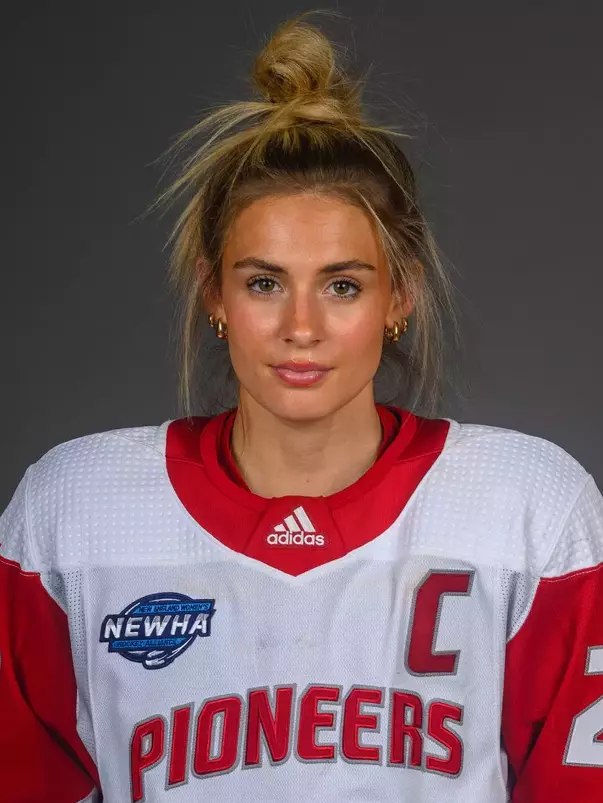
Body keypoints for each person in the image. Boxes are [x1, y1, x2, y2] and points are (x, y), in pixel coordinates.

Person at [1, 11, 602, 803]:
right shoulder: (72, 514)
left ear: (400, 298)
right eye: (263, 283)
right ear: (214, 295)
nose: (301, 328)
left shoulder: (530, 508)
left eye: (342, 285)